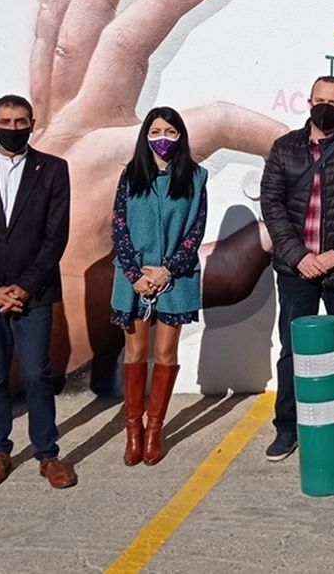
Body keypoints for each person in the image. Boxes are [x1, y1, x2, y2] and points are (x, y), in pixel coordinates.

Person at [0, 95, 77, 488]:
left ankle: (47, 454)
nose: (13, 127)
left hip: (34, 294)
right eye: (5, 121)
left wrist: (23, 287)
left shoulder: (54, 170)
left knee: (38, 374)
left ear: (32, 124)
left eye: (21, 121)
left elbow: (56, 236)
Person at [259, 76, 334, 462]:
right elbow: (272, 205)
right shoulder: (283, 149)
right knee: (293, 352)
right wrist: (299, 256)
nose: (326, 107)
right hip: (296, 270)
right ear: (308, 101)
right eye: (320, 100)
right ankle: (287, 427)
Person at [111, 106, 209, 466]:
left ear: (180, 136)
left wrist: (168, 270)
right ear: (145, 136)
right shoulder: (130, 175)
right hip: (132, 278)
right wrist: (135, 274)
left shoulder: (196, 178)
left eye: (170, 131)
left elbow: (195, 231)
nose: (163, 138)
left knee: (166, 354)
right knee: (135, 353)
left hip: (175, 278)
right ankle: (132, 431)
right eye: (156, 131)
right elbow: (118, 227)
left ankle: (155, 430)